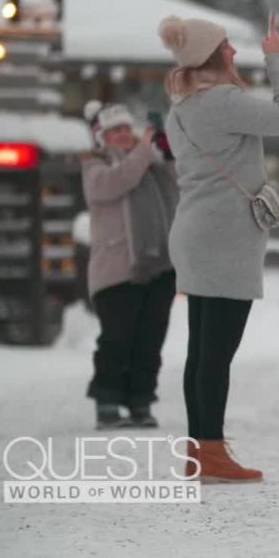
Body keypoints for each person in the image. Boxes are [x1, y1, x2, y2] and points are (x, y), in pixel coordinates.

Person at [160, 13, 279, 482]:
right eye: (226, 46)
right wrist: (276, 58)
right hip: (224, 237)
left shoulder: (180, 108)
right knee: (217, 351)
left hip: (196, 231)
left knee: (202, 348)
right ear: (212, 56)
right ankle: (212, 452)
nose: (234, 52)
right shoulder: (221, 102)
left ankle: (202, 448)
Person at [81, 101, 179, 430]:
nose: (124, 135)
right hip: (116, 271)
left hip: (158, 266)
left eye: (127, 128)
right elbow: (117, 181)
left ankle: (141, 401)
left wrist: (164, 147)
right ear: (101, 138)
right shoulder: (95, 167)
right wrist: (143, 151)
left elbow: (178, 178)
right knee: (117, 339)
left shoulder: (150, 164)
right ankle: (107, 402)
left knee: (150, 340)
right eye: (115, 130)